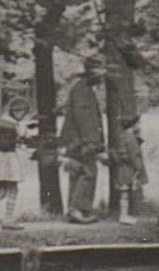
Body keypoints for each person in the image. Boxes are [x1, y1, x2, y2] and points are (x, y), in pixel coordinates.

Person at [61, 55, 107, 223]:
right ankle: (76, 209)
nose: (102, 78)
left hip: (77, 140)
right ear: (92, 73)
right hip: (82, 141)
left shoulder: (82, 88)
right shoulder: (82, 90)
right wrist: (93, 143)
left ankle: (76, 209)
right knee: (88, 172)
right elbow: (84, 118)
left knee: (77, 173)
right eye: (100, 74)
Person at [109, 116, 147, 225]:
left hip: (122, 169)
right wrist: (138, 168)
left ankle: (124, 215)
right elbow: (134, 155)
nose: (139, 126)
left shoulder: (122, 136)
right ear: (133, 125)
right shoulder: (131, 138)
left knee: (124, 193)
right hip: (127, 169)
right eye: (138, 124)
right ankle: (124, 216)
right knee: (125, 193)